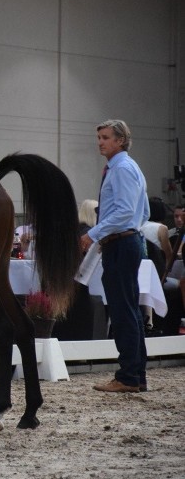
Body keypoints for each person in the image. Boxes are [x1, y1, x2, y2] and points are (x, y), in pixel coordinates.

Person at [80, 119, 150, 393]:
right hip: (126, 241)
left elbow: (123, 212)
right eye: (99, 137)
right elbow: (142, 212)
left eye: (105, 137)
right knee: (130, 311)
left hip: (121, 244)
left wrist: (94, 233)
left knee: (123, 311)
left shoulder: (120, 169)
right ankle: (136, 374)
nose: (100, 142)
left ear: (119, 140)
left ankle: (128, 376)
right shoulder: (129, 168)